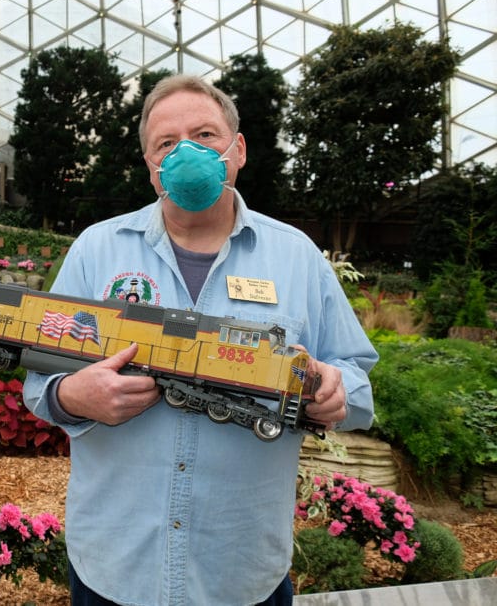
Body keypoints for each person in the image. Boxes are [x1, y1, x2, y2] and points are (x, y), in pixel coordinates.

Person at [22, 74, 376, 605]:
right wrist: (75, 396)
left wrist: (333, 388)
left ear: (238, 151)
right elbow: (40, 382)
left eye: (205, 135)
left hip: (240, 569)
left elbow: (354, 375)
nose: (187, 151)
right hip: (115, 565)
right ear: (150, 166)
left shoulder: (297, 258)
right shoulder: (97, 251)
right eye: (166, 143)